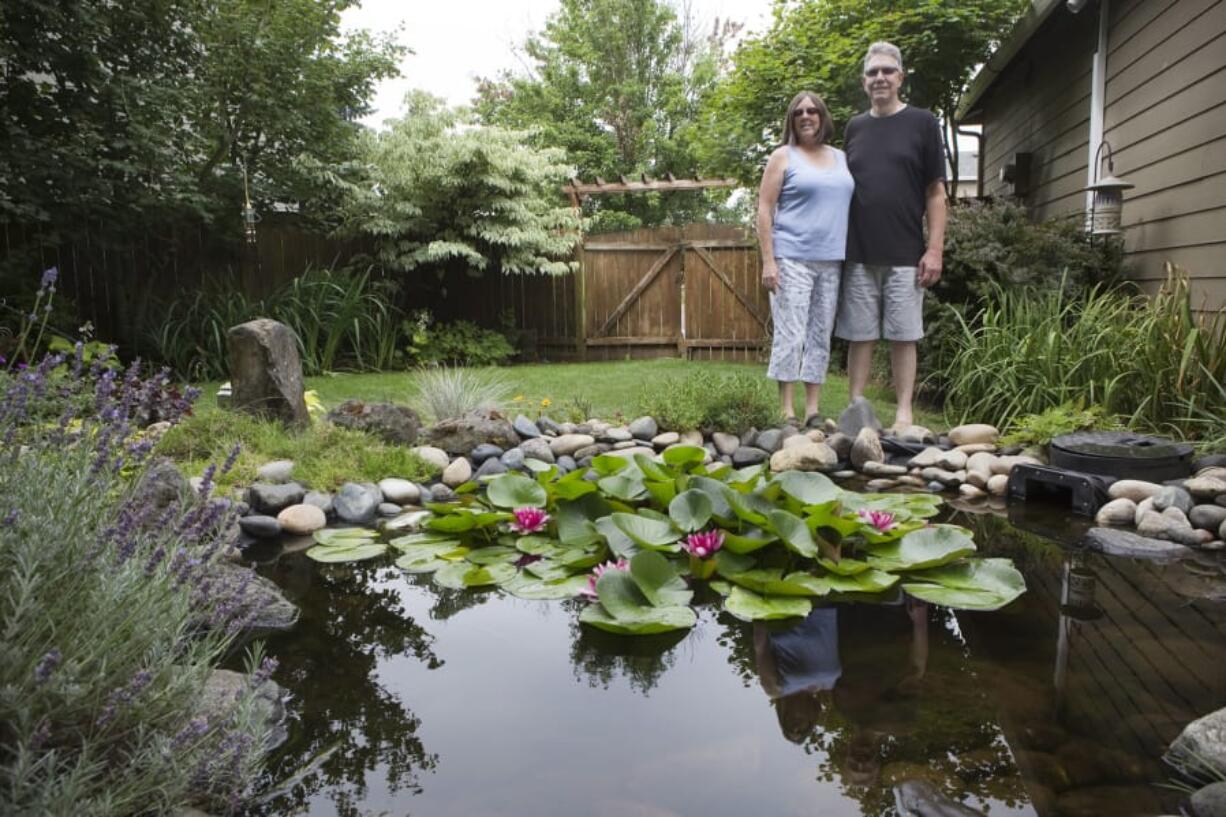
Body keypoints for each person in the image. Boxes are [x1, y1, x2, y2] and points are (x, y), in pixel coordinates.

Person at [836, 42, 947, 431]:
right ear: (864, 82)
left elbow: (936, 193)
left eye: (887, 71)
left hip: (905, 253)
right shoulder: (855, 127)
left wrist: (934, 249)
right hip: (860, 253)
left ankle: (903, 414)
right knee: (859, 335)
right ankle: (856, 409)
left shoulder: (922, 123)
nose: (879, 78)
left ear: (900, 77)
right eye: (872, 73)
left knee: (904, 336)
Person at [757, 91, 855, 425]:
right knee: (791, 334)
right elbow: (764, 209)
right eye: (799, 112)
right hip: (791, 258)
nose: (806, 116)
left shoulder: (840, 158)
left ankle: (812, 408)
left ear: (822, 116)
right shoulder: (782, 157)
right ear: (792, 120)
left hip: (831, 259)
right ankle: (786, 410)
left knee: (819, 334)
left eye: (812, 110)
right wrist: (769, 261)